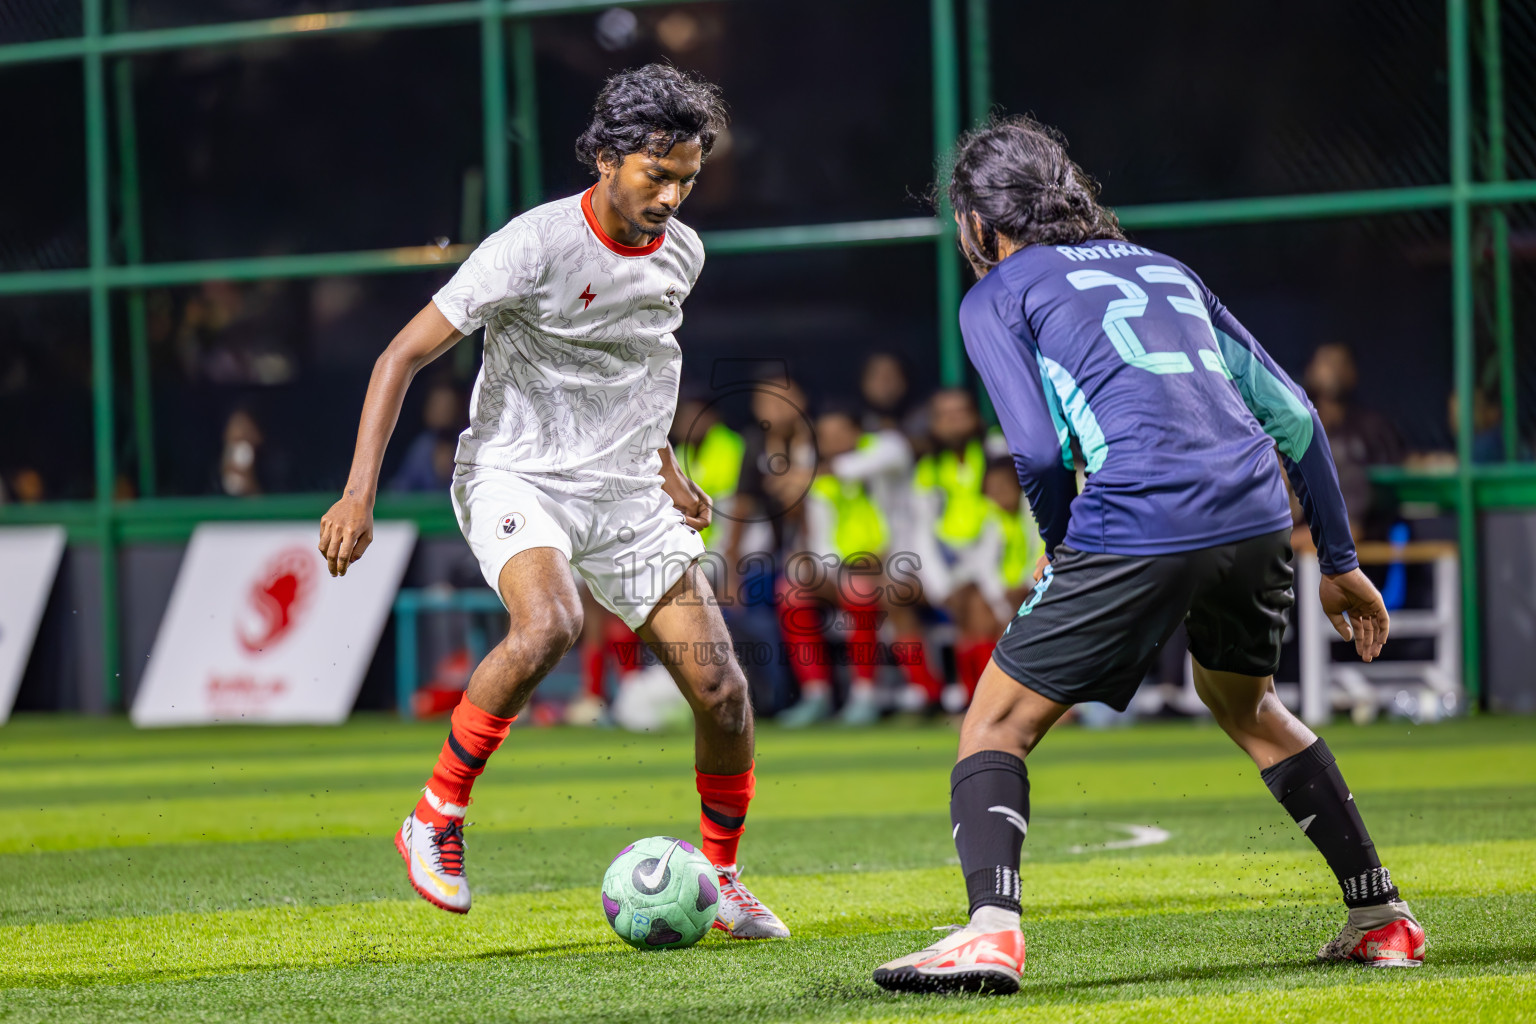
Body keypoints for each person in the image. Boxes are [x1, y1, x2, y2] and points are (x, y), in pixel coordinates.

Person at [874, 116, 1418, 994]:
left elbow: (1042, 457)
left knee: (995, 723)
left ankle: (989, 932)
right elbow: (1296, 417)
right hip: (1254, 515)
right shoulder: (1169, 271)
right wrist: (1341, 559)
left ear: (978, 222)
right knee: (1246, 705)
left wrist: (1062, 554)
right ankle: (1382, 917)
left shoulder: (999, 293)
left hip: (1137, 514)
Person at [318, 65, 788, 940]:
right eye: (658, 173)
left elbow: (645, 364)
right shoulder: (530, 246)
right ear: (607, 158)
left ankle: (721, 880)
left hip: (624, 490)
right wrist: (358, 494)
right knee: (550, 625)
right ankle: (435, 815)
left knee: (722, 691)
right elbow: (399, 357)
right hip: (517, 473)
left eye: (688, 177)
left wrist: (666, 467)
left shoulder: (683, 252)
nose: (674, 195)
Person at [911, 388, 1007, 710]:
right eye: (944, 415)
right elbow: (922, 531)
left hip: (1001, 557)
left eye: (960, 413)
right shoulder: (929, 468)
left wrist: (979, 577)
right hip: (951, 563)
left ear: (976, 416)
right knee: (893, 592)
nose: (954, 422)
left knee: (980, 605)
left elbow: (1003, 518)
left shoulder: (999, 451)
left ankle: (989, 698)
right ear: (934, 424)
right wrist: (942, 585)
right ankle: (931, 693)